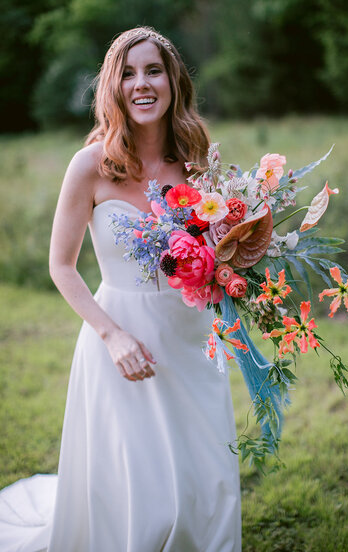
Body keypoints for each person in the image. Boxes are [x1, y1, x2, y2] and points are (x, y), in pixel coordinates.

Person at [0, 27, 241, 551]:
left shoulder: (199, 165)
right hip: (120, 336)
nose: (142, 84)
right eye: (128, 74)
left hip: (193, 338)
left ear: (174, 82)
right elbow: (61, 266)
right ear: (113, 87)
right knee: (141, 485)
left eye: (153, 70)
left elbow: (219, 250)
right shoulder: (89, 166)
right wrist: (112, 336)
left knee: (208, 470)